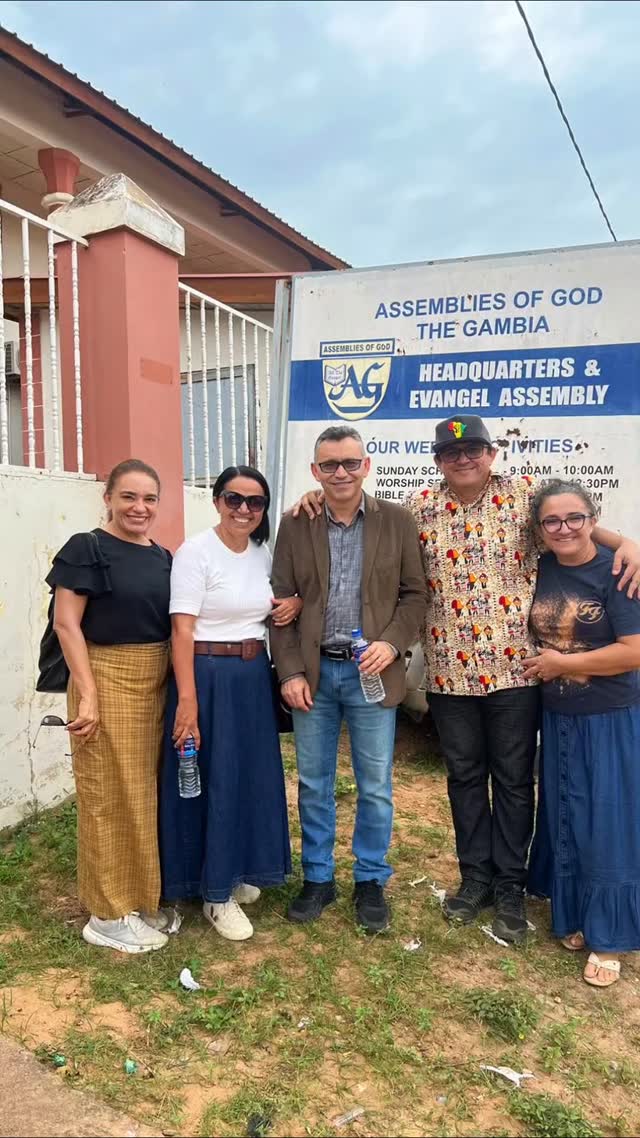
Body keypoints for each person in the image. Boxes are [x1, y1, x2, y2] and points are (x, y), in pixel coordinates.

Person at [402, 415, 640, 944]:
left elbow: (575, 522)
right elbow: (372, 532)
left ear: (491, 454)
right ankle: (475, 879)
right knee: (464, 778)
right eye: (451, 452)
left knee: (512, 780)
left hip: (517, 670)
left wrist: (629, 543)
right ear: (438, 460)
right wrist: (309, 501)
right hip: (449, 674)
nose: (463, 459)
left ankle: (510, 885)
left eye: (474, 450)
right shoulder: (418, 507)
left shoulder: (524, 498)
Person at [270, 426, 427, 933]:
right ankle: (318, 877)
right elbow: (282, 603)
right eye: (329, 465)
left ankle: (370, 880)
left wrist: (391, 643)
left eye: (350, 463)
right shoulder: (296, 524)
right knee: (314, 783)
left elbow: (414, 595)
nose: (340, 473)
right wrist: (290, 670)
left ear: (367, 465)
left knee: (375, 785)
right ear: (315, 471)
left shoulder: (398, 522)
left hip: (371, 673)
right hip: (313, 675)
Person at [159, 466, 297, 941]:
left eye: (255, 502)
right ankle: (213, 893)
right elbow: (181, 630)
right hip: (206, 675)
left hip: (251, 677)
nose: (244, 509)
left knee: (246, 778)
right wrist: (188, 701)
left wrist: (290, 605)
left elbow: (273, 606)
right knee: (211, 778)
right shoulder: (196, 552)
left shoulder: (263, 553)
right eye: (234, 499)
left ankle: (235, 868)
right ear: (217, 500)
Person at [48, 458, 173, 953]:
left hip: (154, 681)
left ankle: (138, 899)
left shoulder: (163, 555)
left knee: (141, 794)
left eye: (148, 499)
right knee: (106, 795)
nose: (139, 507)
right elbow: (66, 624)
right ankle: (106, 914)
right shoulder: (87, 548)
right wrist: (90, 692)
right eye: (128, 497)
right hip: (104, 678)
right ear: (108, 498)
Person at [525, 480, 640, 987]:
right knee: (567, 812)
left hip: (609, 717)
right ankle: (574, 914)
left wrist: (561, 662)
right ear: (540, 529)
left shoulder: (617, 574)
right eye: (552, 521)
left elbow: (634, 650)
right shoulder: (544, 565)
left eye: (575, 518)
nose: (565, 528)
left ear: (594, 518)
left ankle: (610, 934)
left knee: (608, 822)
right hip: (560, 716)